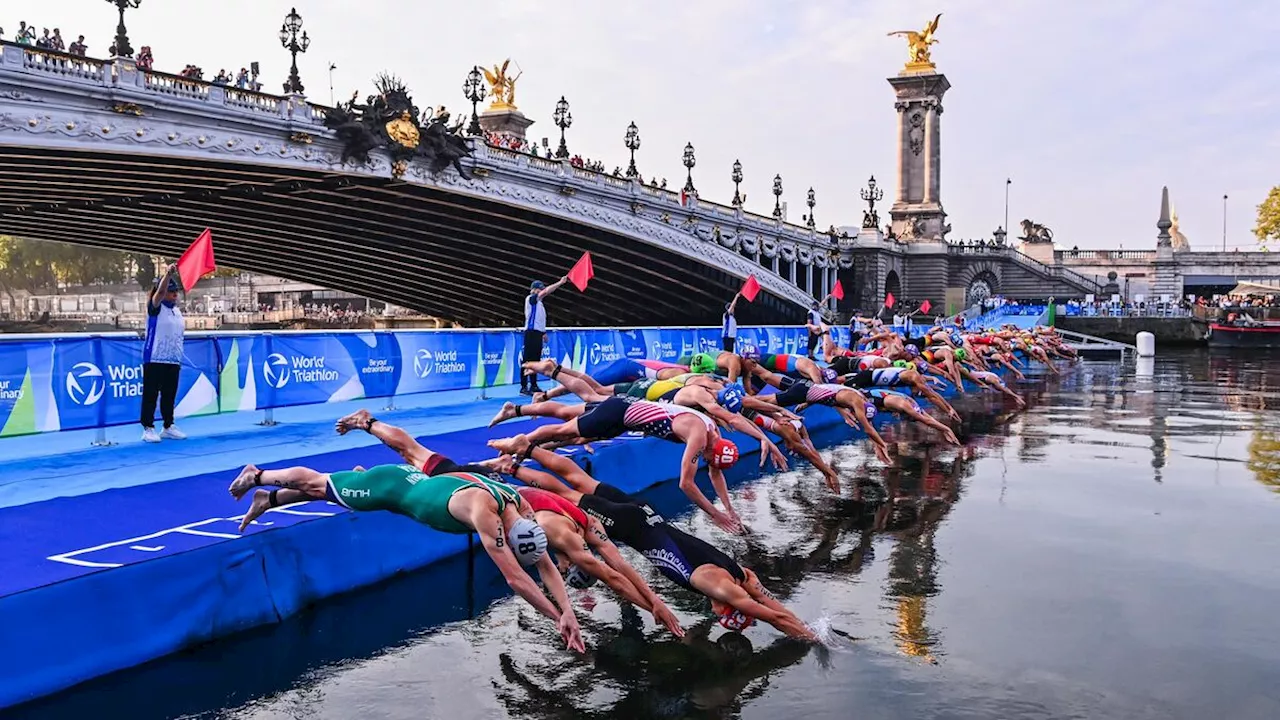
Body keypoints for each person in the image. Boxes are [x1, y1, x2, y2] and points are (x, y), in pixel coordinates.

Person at [329, 408, 685, 637]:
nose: (562, 569)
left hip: (494, 485)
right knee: (413, 457)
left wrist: (656, 601)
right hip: (478, 490)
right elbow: (614, 577)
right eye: (567, 569)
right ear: (572, 562)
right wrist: (653, 607)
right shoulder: (566, 540)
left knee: (415, 454)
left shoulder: (589, 524)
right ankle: (368, 429)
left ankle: (369, 438)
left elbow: (620, 564)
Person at [228, 461, 586, 653]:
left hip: (413, 483)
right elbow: (516, 579)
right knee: (318, 485)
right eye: (506, 544)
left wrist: (568, 609)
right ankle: (259, 475)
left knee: (338, 493)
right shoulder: (485, 515)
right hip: (394, 487)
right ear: (507, 534)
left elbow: (543, 563)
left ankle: (269, 501)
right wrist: (557, 618)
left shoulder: (519, 505)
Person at [495, 447, 819, 641]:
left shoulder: (743, 575)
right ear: (727, 607)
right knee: (568, 497)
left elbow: (774, 606)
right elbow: (771, 617)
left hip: (650, 515)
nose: (714, 610)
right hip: (631, 526)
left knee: (582, 484)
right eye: (720, 613)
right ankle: (514, 469)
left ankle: (521, 459)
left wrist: (803, 623)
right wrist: (812, 639)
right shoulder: (719, 587)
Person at [489, 396, 748, 534]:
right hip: (621, 414)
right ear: (714, 448)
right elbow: (686, 484)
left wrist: (729, 508)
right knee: (564, 431)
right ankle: (518, 443)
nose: (706, 461)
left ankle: (516, 410)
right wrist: (715, 515)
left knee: (568, 416)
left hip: (625, 411)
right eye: (708, 458)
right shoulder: (699, 436)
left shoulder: (715, 436)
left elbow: (715, 474)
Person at [141, 265, 187, 443]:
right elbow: (159, 294)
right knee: (151, 394)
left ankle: (168, 426)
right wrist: (168, 274)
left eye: (176, 291)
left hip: (173, 359)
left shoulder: (177, 311)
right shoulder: (156, 307)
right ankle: (148, 427)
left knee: (169, 394)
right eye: (171, 291)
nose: (174, 294)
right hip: (154, 358)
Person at [521, 276, 569, 396]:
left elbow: (539, 320)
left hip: (537, 334)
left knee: (535, 361)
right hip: (531, 333)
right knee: (527, 360)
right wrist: (560, 282)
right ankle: (523, 386)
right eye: (539, 289)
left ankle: (533, 385)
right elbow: (547, 291)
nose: (540, 291)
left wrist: (543, 333)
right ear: (534, 289)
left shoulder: (539, 304)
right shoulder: (531, 299)